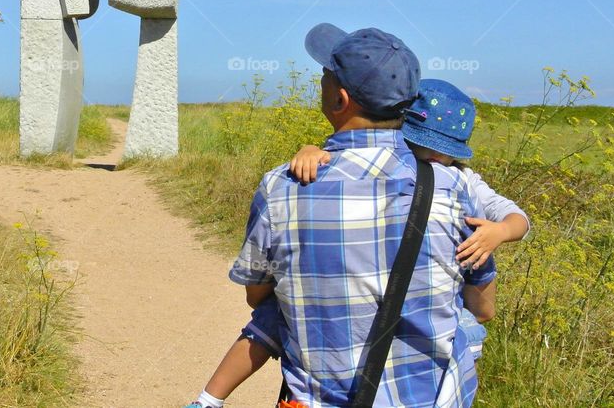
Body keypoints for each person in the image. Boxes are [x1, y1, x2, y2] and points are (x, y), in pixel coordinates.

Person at [187, 24, 496, 408]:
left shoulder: (283, 187)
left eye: (324, 77)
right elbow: (483, 307)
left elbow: (258, 296)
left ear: (340, 100)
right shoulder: (453, 187)